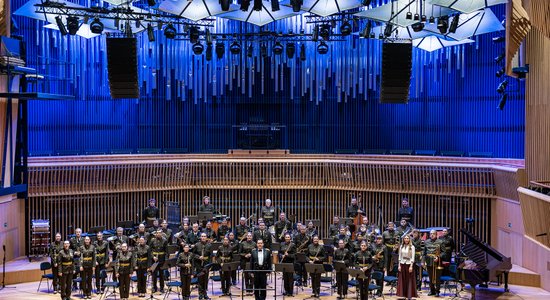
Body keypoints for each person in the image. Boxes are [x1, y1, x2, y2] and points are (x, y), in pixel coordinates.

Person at [423, 229, 444, 297]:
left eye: (433, 234)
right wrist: (423, 261)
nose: (432, 235)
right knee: (430, 277)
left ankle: (437, 291)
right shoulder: (426, 242)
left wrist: (438, 257)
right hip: (429, 261)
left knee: (437, 277)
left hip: (437, 262)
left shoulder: (440, 242)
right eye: (431, 233)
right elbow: (424, 253)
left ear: (436, 234)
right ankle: (432, 290)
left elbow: (444, 252)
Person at [397, 235, 418, 300]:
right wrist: (399, 265)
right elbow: (399, 256)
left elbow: (413, 257)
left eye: (407, 238)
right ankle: (403, 294)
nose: (406, 239)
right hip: (402, 264)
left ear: (409, 239)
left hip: (409, 264)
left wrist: (411, 266)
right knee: (402, 279)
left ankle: (409, 294)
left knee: (409, 279)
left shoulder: (412, 247)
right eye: (405, 238)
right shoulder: (401, 246)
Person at [194, 232, 213, 300]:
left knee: (205, 280)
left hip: (206, 265)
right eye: (202, 236)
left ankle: (205, 294)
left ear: (206, 237)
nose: (203, 237)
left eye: (204, 236)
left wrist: (210, 265)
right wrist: (198, 257)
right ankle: (200, 294)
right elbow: (193, 254)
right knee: (200, 280)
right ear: (200, 237)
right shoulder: (197, 245)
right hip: (199, 265)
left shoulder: (209, 245)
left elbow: (211, 256)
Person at [150, 229, 168, 293]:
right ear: (156, 234)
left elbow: (166, 251)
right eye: (157, 233)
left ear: (162, 233)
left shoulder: (165, 240)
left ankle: (162, 288)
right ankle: (154, 287)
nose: (158, 234)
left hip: (161, 260)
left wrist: (165, 261)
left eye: (159, 233)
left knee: (161, 275)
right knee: (154, 275)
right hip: (154, 260)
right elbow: (150, 250)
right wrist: (153, 257)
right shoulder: (152, 240)